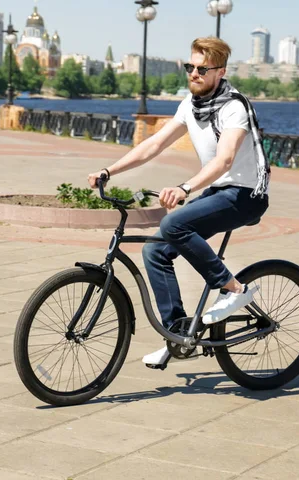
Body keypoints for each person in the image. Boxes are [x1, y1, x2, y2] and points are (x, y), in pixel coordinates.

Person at [88, 37, 270, 368]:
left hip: (246, 194)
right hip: (220, 191)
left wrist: (185, 187)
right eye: (191, 67)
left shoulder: (234, 106)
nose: (195, 73)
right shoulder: (190, 105)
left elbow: (225, 159)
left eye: (203, 69)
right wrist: (108, 170)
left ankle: (234, 289)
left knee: (174, 223)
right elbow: (153, 145)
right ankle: (177, 336)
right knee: (154, 249)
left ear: (220, 72)